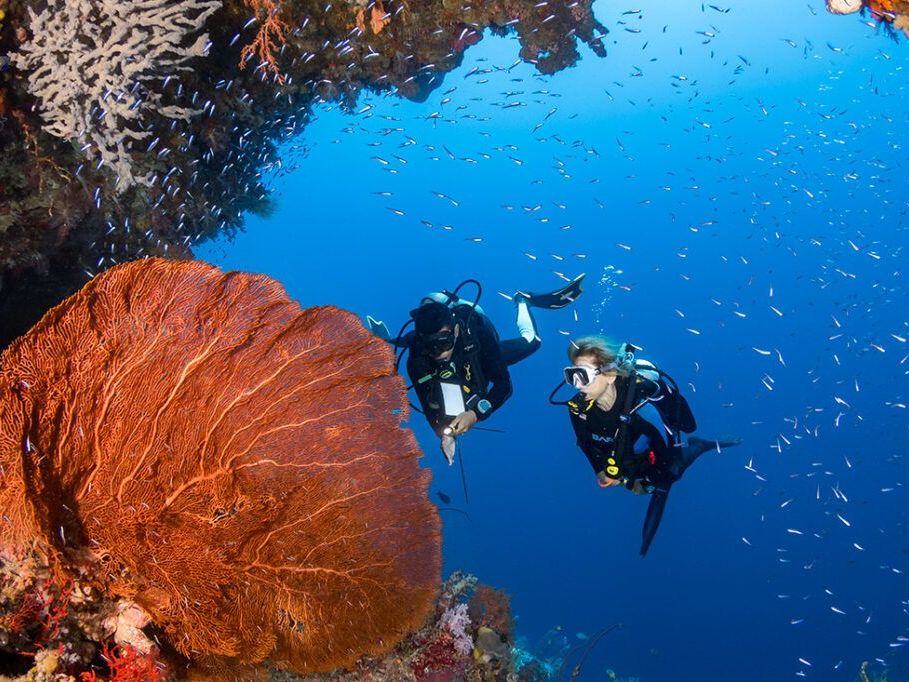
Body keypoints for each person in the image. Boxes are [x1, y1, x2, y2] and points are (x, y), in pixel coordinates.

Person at [367, 275, 585, 464]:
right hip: (435, 355)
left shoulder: (477, 334)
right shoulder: (418, 357)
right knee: (401, 343)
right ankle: (387, 335)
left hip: (479, 354)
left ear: (456, 330)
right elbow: (428, 407)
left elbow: (504, 386)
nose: (438, 352)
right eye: (429, 346)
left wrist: (475, 414)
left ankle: (522, 301)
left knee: (532, 342)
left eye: (444, 342)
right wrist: (444, 436)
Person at [560, 335, 740, 555]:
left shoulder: (641, 409)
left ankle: (700, 446)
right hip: (627, 456)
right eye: (572, 376)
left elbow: (667, 453)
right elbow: (586, 444)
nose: (577, 385)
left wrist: (643, 483)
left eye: (583, 376)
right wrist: (600, 470)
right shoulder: (577, 410)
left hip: (655, 455)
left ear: (610, 374)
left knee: (673, 472)